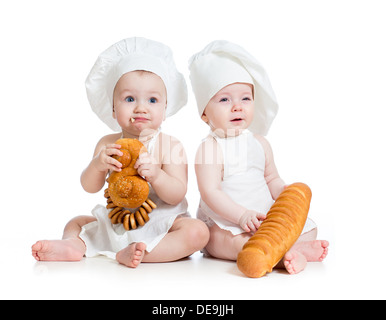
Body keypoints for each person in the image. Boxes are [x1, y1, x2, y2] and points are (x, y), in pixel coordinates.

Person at [32, 37, 209, 268]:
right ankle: (73, 245)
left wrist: (156, 175)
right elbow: (89, 187)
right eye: (129, 99)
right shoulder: (108, 143)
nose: (141, 107)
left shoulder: (170, 145)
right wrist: (97, 165)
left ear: (165, 109)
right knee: (76, 222)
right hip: (119, 221)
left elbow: (177, 193)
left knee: (197, 232)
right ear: (113, 108)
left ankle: (138, 253)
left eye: (153, 100)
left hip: (162, 223)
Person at [189, 40, 328, 274]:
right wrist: (241, 215)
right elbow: (210, 192)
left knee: (308, 226)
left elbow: (272, 179)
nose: (237, 107)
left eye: (245, 98)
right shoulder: (210, 148)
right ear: (204, 113)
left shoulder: (260, 143)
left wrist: (284, 194)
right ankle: (288, 255)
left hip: (264, 217)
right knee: (225, 242)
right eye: (224, 99)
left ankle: (286, 249)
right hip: (227, 222)